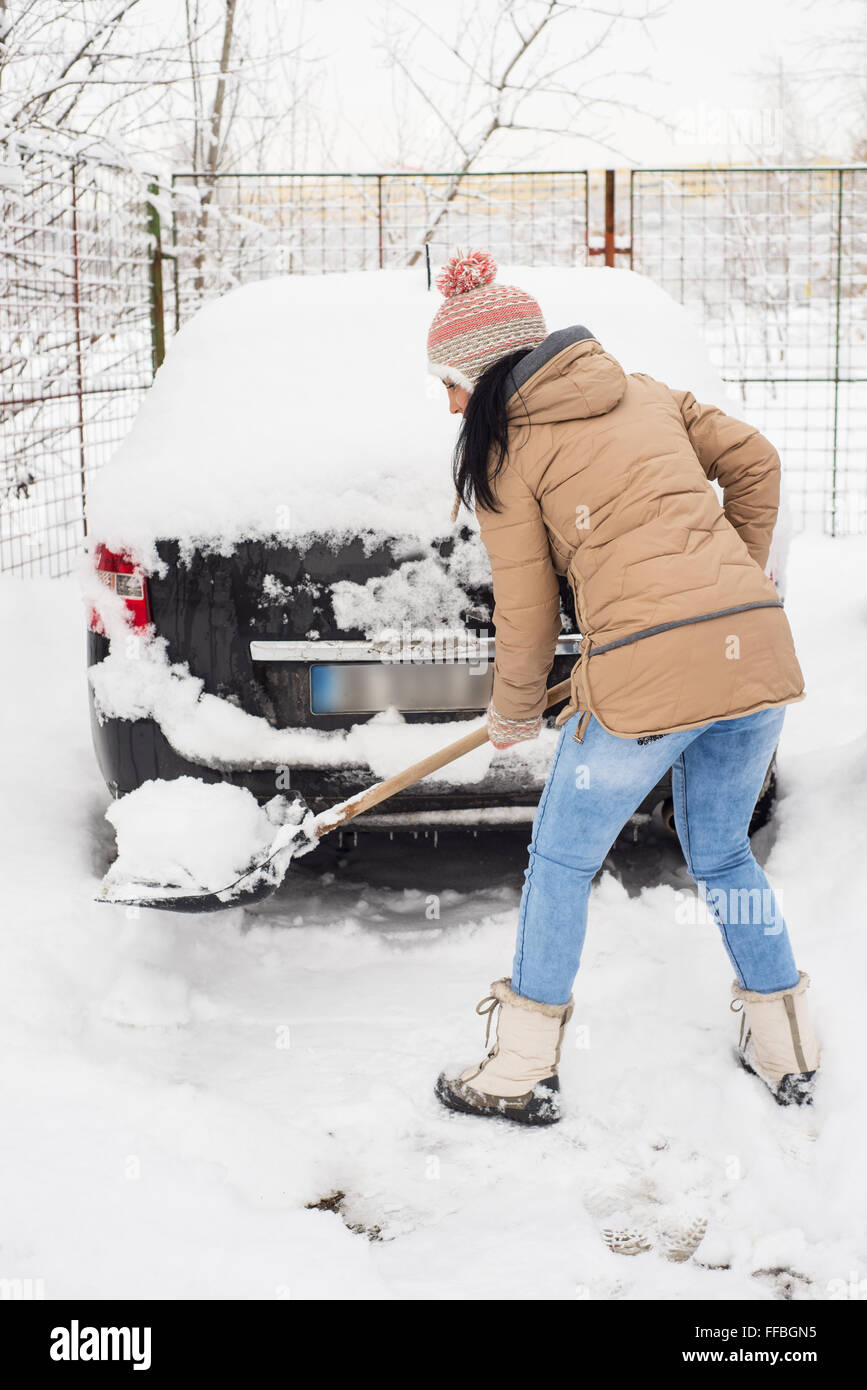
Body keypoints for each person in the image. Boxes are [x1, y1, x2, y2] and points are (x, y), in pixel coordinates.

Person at [426, 248, 820, 1126]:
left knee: (561, 862)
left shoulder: (502, 455)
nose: (450, 404)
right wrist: (727, 589)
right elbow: (755, 461)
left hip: (643, 682)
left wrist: (513, 711)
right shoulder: (646, 391)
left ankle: (519, 1069)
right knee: (720, 853)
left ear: (486, 375)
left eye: (451, 382)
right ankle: (787, 1044)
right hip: (752, 652)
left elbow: (525, 613)